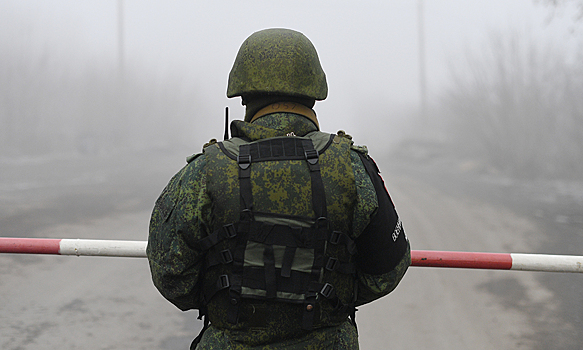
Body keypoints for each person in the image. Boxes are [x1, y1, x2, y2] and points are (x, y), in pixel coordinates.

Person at [147, 28, 410, 349]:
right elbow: (386, 272)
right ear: (314, 92)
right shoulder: (352, 167)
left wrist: (231, 298)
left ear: (244, 97)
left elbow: (171, 277)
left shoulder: (205, 170)